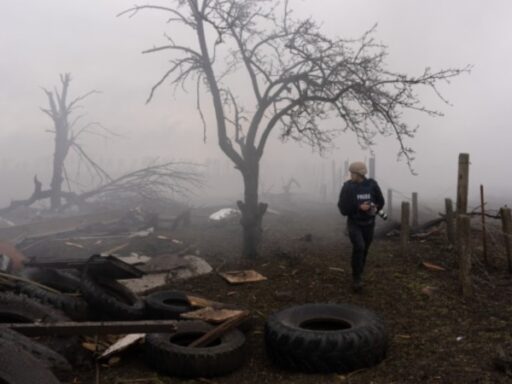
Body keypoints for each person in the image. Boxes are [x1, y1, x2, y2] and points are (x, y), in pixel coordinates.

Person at [337, 161, 385, 292]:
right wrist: (358, 207)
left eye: (352, 173)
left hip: (369, 223)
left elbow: (381, 202)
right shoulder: (347, 187)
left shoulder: (372, 185)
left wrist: (373, 206)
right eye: (350, 173)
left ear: (359, 174)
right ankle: (356, 278)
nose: (350, 175)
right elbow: (342, 208)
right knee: (359, 247)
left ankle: (359, 272)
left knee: (364, 250)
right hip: (354, 223)